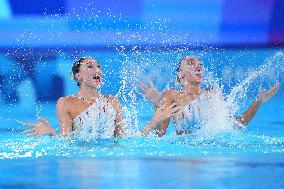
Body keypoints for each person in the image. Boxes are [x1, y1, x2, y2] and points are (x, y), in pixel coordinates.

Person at [24, 57, 181, 137]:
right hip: (80, 161)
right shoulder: (65, 103)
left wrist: (153, 123)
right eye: (90, 66)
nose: (97, 69)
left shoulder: (112, 101)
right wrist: (52, 133)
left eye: (98, 66)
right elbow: (67, 142)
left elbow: (123, 140)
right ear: (78, 76)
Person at [138, 56, 280, 137]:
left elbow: (236, 125)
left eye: (200, 64)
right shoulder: (172, 94)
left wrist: (258, 102)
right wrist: (156, 105)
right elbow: (160, 134)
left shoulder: (212, 94)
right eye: (190, 63)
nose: (198, 65)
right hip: (185, 152)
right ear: (180, 74)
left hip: (214, 148)